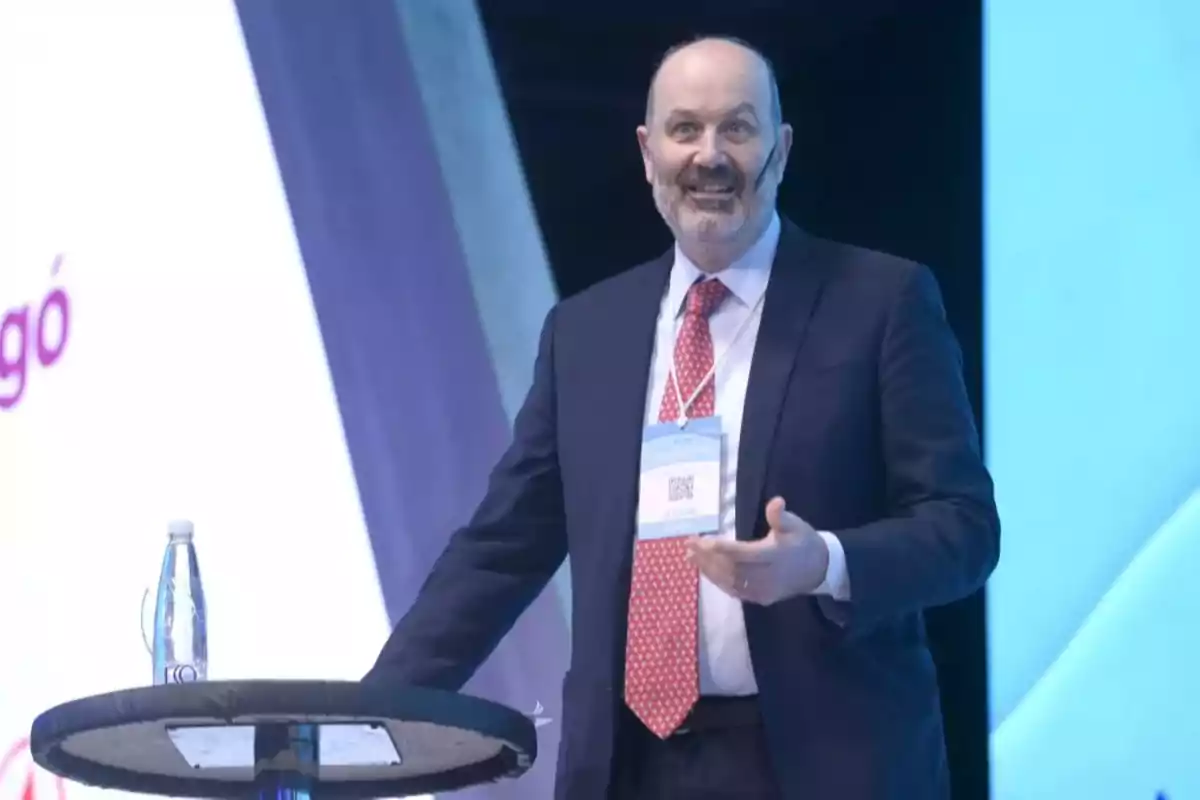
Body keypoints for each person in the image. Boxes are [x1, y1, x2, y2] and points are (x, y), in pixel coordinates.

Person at [364, 35, 999, 800]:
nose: (710, 155)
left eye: (737, 127)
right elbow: (501, 549)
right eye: (685, 129)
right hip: (630, 767)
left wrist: (825, 562)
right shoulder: (585, 333)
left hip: (822, 764)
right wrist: (373, 716)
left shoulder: (881, 303)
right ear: (647, 151)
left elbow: (963, 529)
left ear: (781, 147)